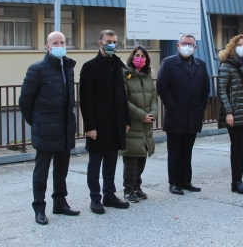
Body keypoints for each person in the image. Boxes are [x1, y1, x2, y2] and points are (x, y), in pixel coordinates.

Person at [19, 31, 80, 225]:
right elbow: (25, 102)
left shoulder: (68, 67)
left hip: (64, 127)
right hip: (45, 128)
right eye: (55, 43)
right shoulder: (36, 69)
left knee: (61, 169)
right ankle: (39, 208)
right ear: (47, 46)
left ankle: (60, 203)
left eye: (62, 42)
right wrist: (37, 122)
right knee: (42, 171)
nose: (60, 46)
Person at [80, 30, 132, 214]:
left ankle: (109, 194)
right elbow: (86, 100)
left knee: (111, 162)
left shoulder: (118, 65)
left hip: (115, 124)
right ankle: (95, 199)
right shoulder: (90, 66)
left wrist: (126, 120)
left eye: (115, 42)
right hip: (98, 126)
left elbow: (122, 96)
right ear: (100, 43)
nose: (112, 44)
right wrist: (90, 126)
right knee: (95, 164)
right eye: (108, 41)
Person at [156, 33, 211, 195]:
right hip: (175, 116)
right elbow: (162, 86)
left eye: (190, 44)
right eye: (184, 43)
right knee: (174, 152)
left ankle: (186, 180)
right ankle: (174, 183)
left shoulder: (200, 64)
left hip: (193, 116)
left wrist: (201, 106)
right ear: (178, 46)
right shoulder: (169, 63)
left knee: (187, 151)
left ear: (195, 47)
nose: (187, 46)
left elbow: (206, 88)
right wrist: (172, 106)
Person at [217, 35, 243, 194]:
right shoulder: (227, 66)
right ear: (232, 47)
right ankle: (236, 181)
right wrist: (228, 111)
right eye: (239, 45)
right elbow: (221, 90)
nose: (242, 47)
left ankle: (239, 180)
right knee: (237, 148)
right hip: (233, 114)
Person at [120, 45, 159, 203]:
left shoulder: (147, 76)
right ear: (132, 57)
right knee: (131, 159)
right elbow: (124, 100)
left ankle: (137, 186)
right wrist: (141, 115)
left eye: (143, 56)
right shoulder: (126, 75)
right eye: (137, 55)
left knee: (142, 157)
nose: (140, 58)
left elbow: (154, 99)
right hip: (133, 123)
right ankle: (128, 189)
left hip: (146, 125)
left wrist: (153, 114)